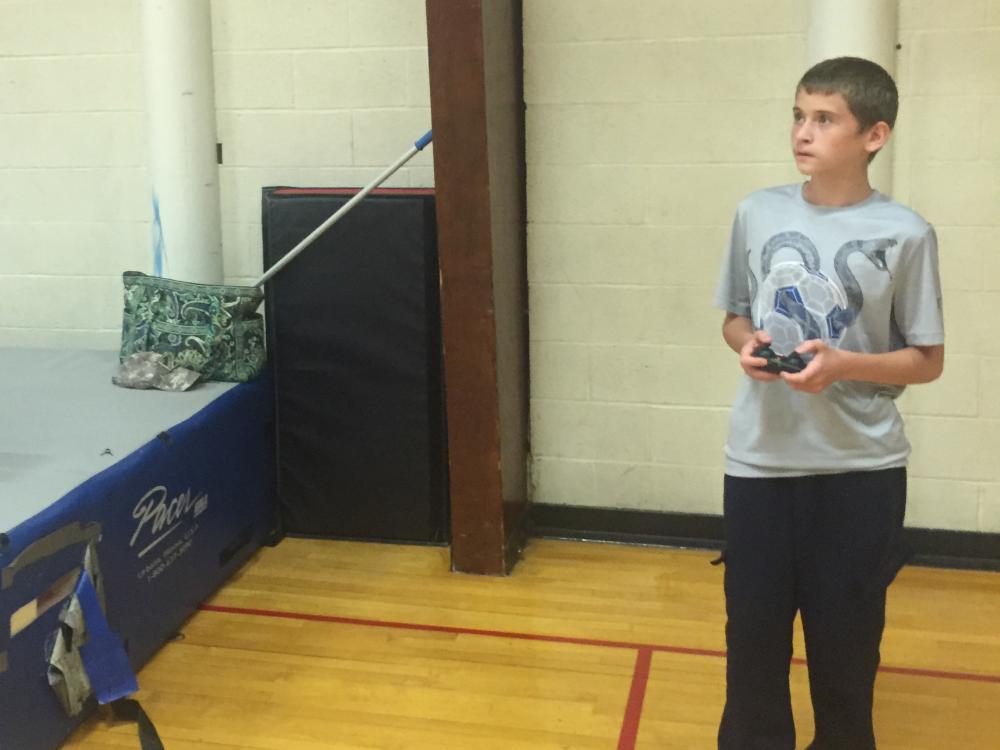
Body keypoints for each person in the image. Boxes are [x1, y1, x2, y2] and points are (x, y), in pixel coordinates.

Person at [713, 56, 945, 750]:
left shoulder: (907, 233)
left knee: (845, 648)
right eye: (797, 115)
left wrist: (843, 365)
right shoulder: (756, 212)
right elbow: (730, 316)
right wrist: (745, 345)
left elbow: (927, 360)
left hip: (860, 472)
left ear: (874, 135)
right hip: (758, 464)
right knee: (752, 644)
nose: (802, 133)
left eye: (823, 118)